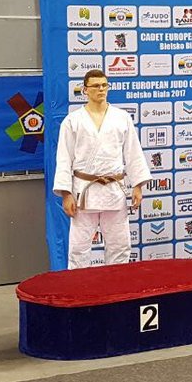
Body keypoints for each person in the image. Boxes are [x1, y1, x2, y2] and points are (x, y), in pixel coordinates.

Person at [53, 69, 149, 268]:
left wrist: (138, 185)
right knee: (78, 248)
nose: (101, 89)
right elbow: (64, 159)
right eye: (96, 86)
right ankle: (78, 285)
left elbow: (133, 153)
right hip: (84, 191)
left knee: (120, 246)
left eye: (105, 85)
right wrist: (66, 194)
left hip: (114, 190)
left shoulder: (122, 117)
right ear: (85, 90)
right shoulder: (72, 121)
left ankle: (117, 284)